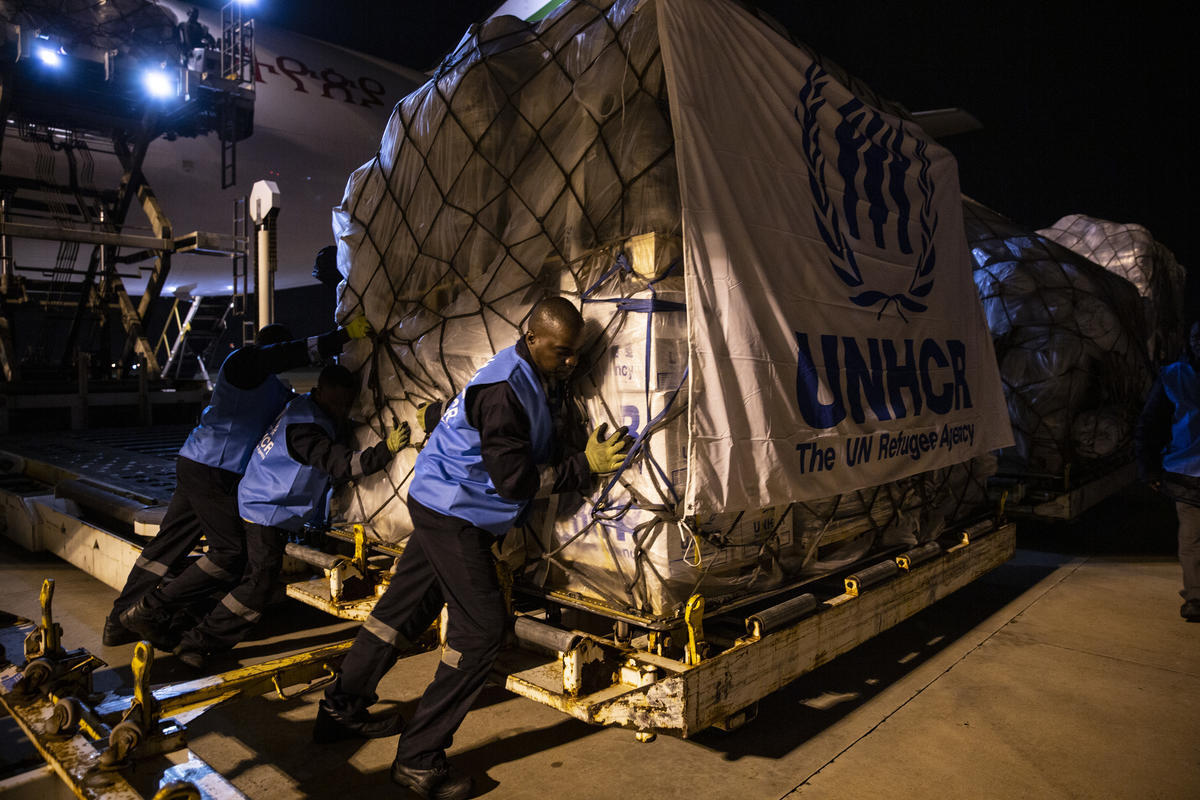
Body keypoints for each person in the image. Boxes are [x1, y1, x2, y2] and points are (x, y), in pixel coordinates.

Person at [316, 297, 631, 800]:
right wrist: (585, 465)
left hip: (439, 499)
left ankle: (338, 709)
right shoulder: (508, 389)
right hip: (455, 513)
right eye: (563, 353)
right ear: (532, 340)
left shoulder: (515, 370)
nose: (572, 362)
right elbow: (514, 481)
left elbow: (477, 411)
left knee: (401, 612)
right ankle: (419, 759)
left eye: (576, 355)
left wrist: (438, 412)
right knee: (482, 630)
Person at [110, 319, 372, 648]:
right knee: (230, 553)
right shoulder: (243, 364)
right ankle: (151, 613)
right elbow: (283, 358)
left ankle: (120, 622)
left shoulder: (279, 391)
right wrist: (341, 338)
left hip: (199, 463)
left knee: (164, 549)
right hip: (214, 471)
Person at [167, 363, 411, 669]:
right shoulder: (305, 429)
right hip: (266, 509)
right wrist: (385, 450)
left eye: (346, 404)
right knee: (259, 585)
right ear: (321, 392)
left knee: (250, 576)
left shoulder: (306, 408)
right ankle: (198, 642)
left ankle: (189, 624)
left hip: (262, 501)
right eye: (337, 403)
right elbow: (342, 465)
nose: (341, 410)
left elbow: (340, 429)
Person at [1136, 320, 1200, 622]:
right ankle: (1196, 597)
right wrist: (1149, 468)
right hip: (1187, 474)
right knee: (1191, 540)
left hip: (1185, 471)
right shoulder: (1173, 376)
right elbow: (1150, 425)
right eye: (1197, 337)